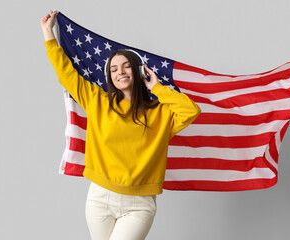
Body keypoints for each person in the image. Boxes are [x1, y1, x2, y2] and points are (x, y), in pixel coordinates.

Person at [41, 10, 201, 240]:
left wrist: (156, 87)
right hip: (100, 197)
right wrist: (49, 34)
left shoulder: (160, 113)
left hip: (140, 204)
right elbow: (67, 75)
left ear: (138, 71)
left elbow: (191, 111)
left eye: (126, 67)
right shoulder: (98, 101)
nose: (120, 72)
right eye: (114, 69)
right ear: (109, 77)